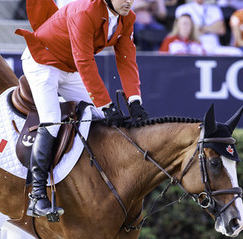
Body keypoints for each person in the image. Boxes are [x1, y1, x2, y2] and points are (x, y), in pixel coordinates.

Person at [15, 0, 150, 218]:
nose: (129, 2)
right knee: (52, 119)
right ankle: (37, 195)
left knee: (98, 118)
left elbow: (126, 59)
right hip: (43, 61)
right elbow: (85, 61)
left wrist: (135, 100)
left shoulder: (128, 18)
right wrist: (106, 104)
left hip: (70, 68)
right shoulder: (85, 11)